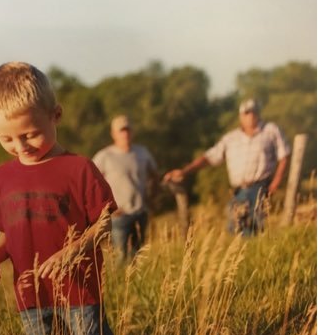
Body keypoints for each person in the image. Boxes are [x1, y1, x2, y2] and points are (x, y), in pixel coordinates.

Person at [0, 62, 117, 335]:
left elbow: (105, 222)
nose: (20, 147)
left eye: (29, 135)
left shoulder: (79, 168)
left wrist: (75, 249)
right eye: (7, 139)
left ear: (56, 115)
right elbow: (8, 231)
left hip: (80, 291)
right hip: (29, 295)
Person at [164, 98, 291, 236]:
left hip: (260, 187)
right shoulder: (231, 138)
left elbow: (284, 156)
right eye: (247, 113)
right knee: (236, 227)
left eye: (254, 111)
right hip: (238, 190)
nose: (251, 115)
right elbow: (209, 158)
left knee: (258, 226)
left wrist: (275, 183)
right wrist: (184, 171)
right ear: (241, 116)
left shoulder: (270, 130)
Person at [93, 115, 158, 257]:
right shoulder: (104, 156)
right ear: (113, 134)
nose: (125, 134)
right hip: (118, 216)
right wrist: (105, 208)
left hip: (141, 213)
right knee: (122, 259)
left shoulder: (142, 152)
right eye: (121, 131)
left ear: (132, 132)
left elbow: (154, 176)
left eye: (128, 130)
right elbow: (91, 183)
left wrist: (150, 199)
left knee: (138, 257)